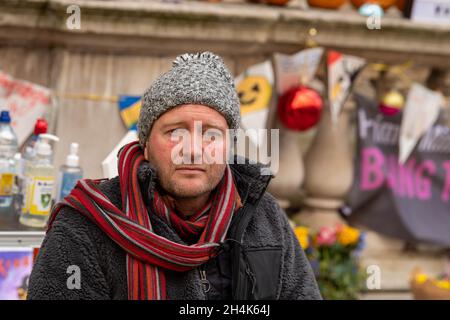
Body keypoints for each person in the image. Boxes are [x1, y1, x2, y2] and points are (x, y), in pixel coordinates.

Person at [27, 52, 321, 300]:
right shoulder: (85, 225)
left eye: (211, 134)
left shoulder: (263, 217)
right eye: (175, 132)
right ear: (145, 144)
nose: (192, 150)